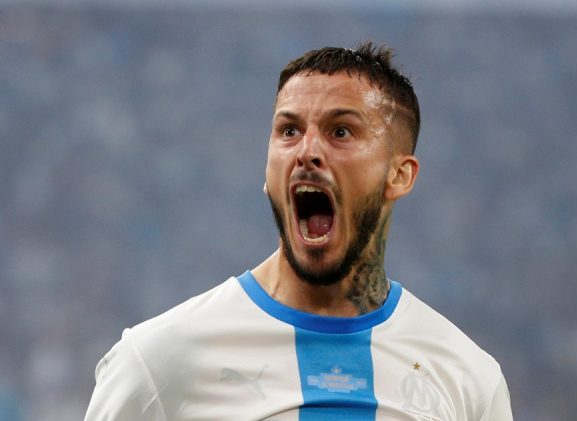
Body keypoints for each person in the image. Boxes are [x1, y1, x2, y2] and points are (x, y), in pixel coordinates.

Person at [85, 42, 513, 420]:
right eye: (289, 131)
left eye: (340, 131)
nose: (307, 151)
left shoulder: (466, 378)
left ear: (399, 175)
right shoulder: (160, 361)